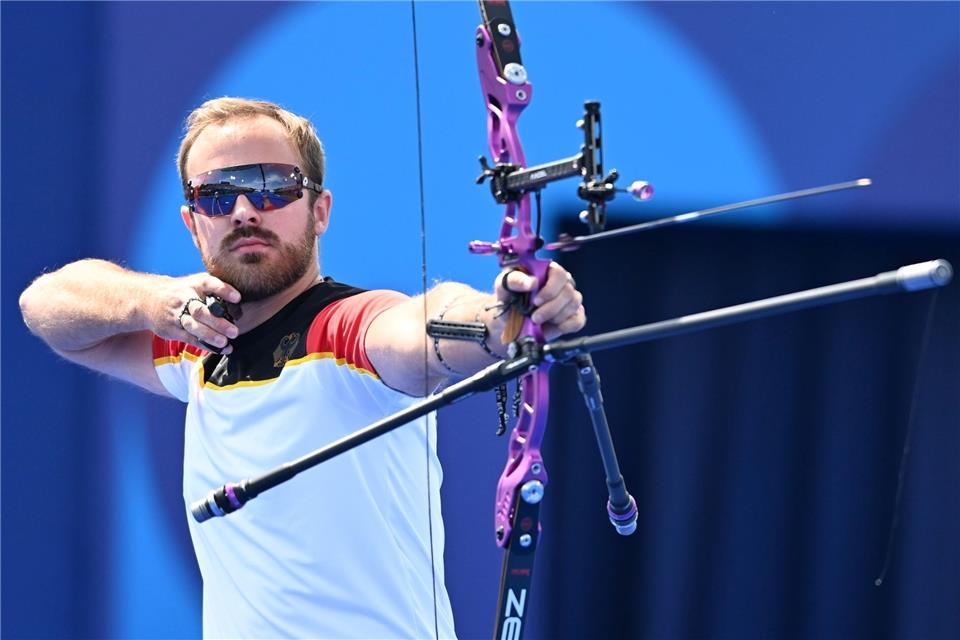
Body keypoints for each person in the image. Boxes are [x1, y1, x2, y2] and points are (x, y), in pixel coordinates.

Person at [19, 97, 586, 639]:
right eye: (218, 195)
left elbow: (420, 328)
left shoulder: (345, 331)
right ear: (194, 224)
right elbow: (46, 308)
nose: (243, 210)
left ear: (319, 211)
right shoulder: (197, 344)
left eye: (271, 187)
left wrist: (506, 318)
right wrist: (150, 302)